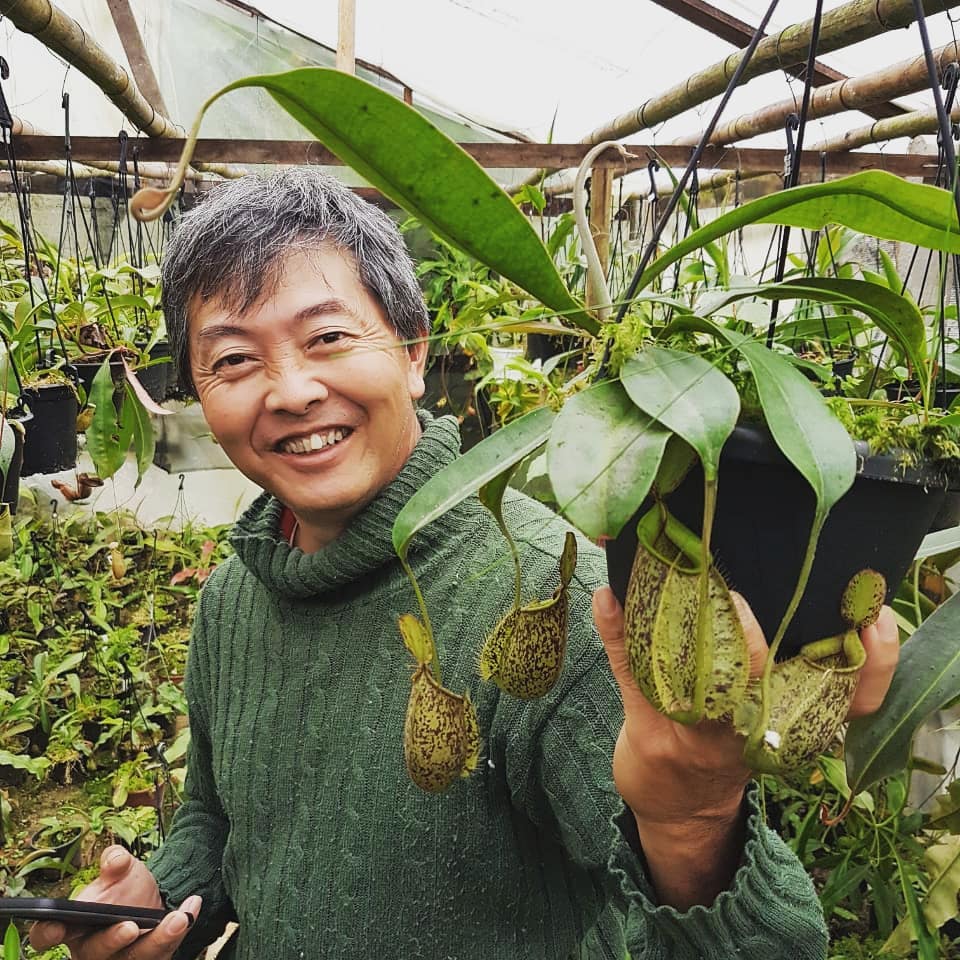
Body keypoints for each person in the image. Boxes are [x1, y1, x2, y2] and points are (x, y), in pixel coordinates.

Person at [31, 168, 899, 960]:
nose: (290, 390)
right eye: (233, 360)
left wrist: (694, 823)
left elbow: (776, 943)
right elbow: (219, 818)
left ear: (414, 354)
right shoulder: (236, 592)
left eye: (328, 337)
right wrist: (161, 904)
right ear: (196, 391)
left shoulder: (548, 597)